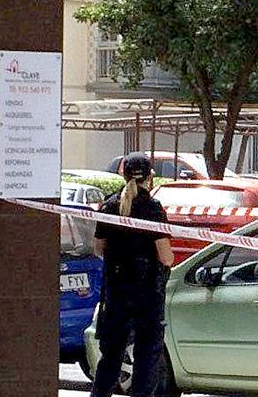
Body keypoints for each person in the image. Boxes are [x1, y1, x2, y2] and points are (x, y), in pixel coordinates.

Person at [90, 152, 175, 397]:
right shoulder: (152, 208)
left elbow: (99, 248)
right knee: (147, 357)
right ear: (150, 177)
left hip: (117, 291)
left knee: (111, 356)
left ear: (122, 174)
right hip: (148, 293)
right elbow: (165, 256)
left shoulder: (109, 205)